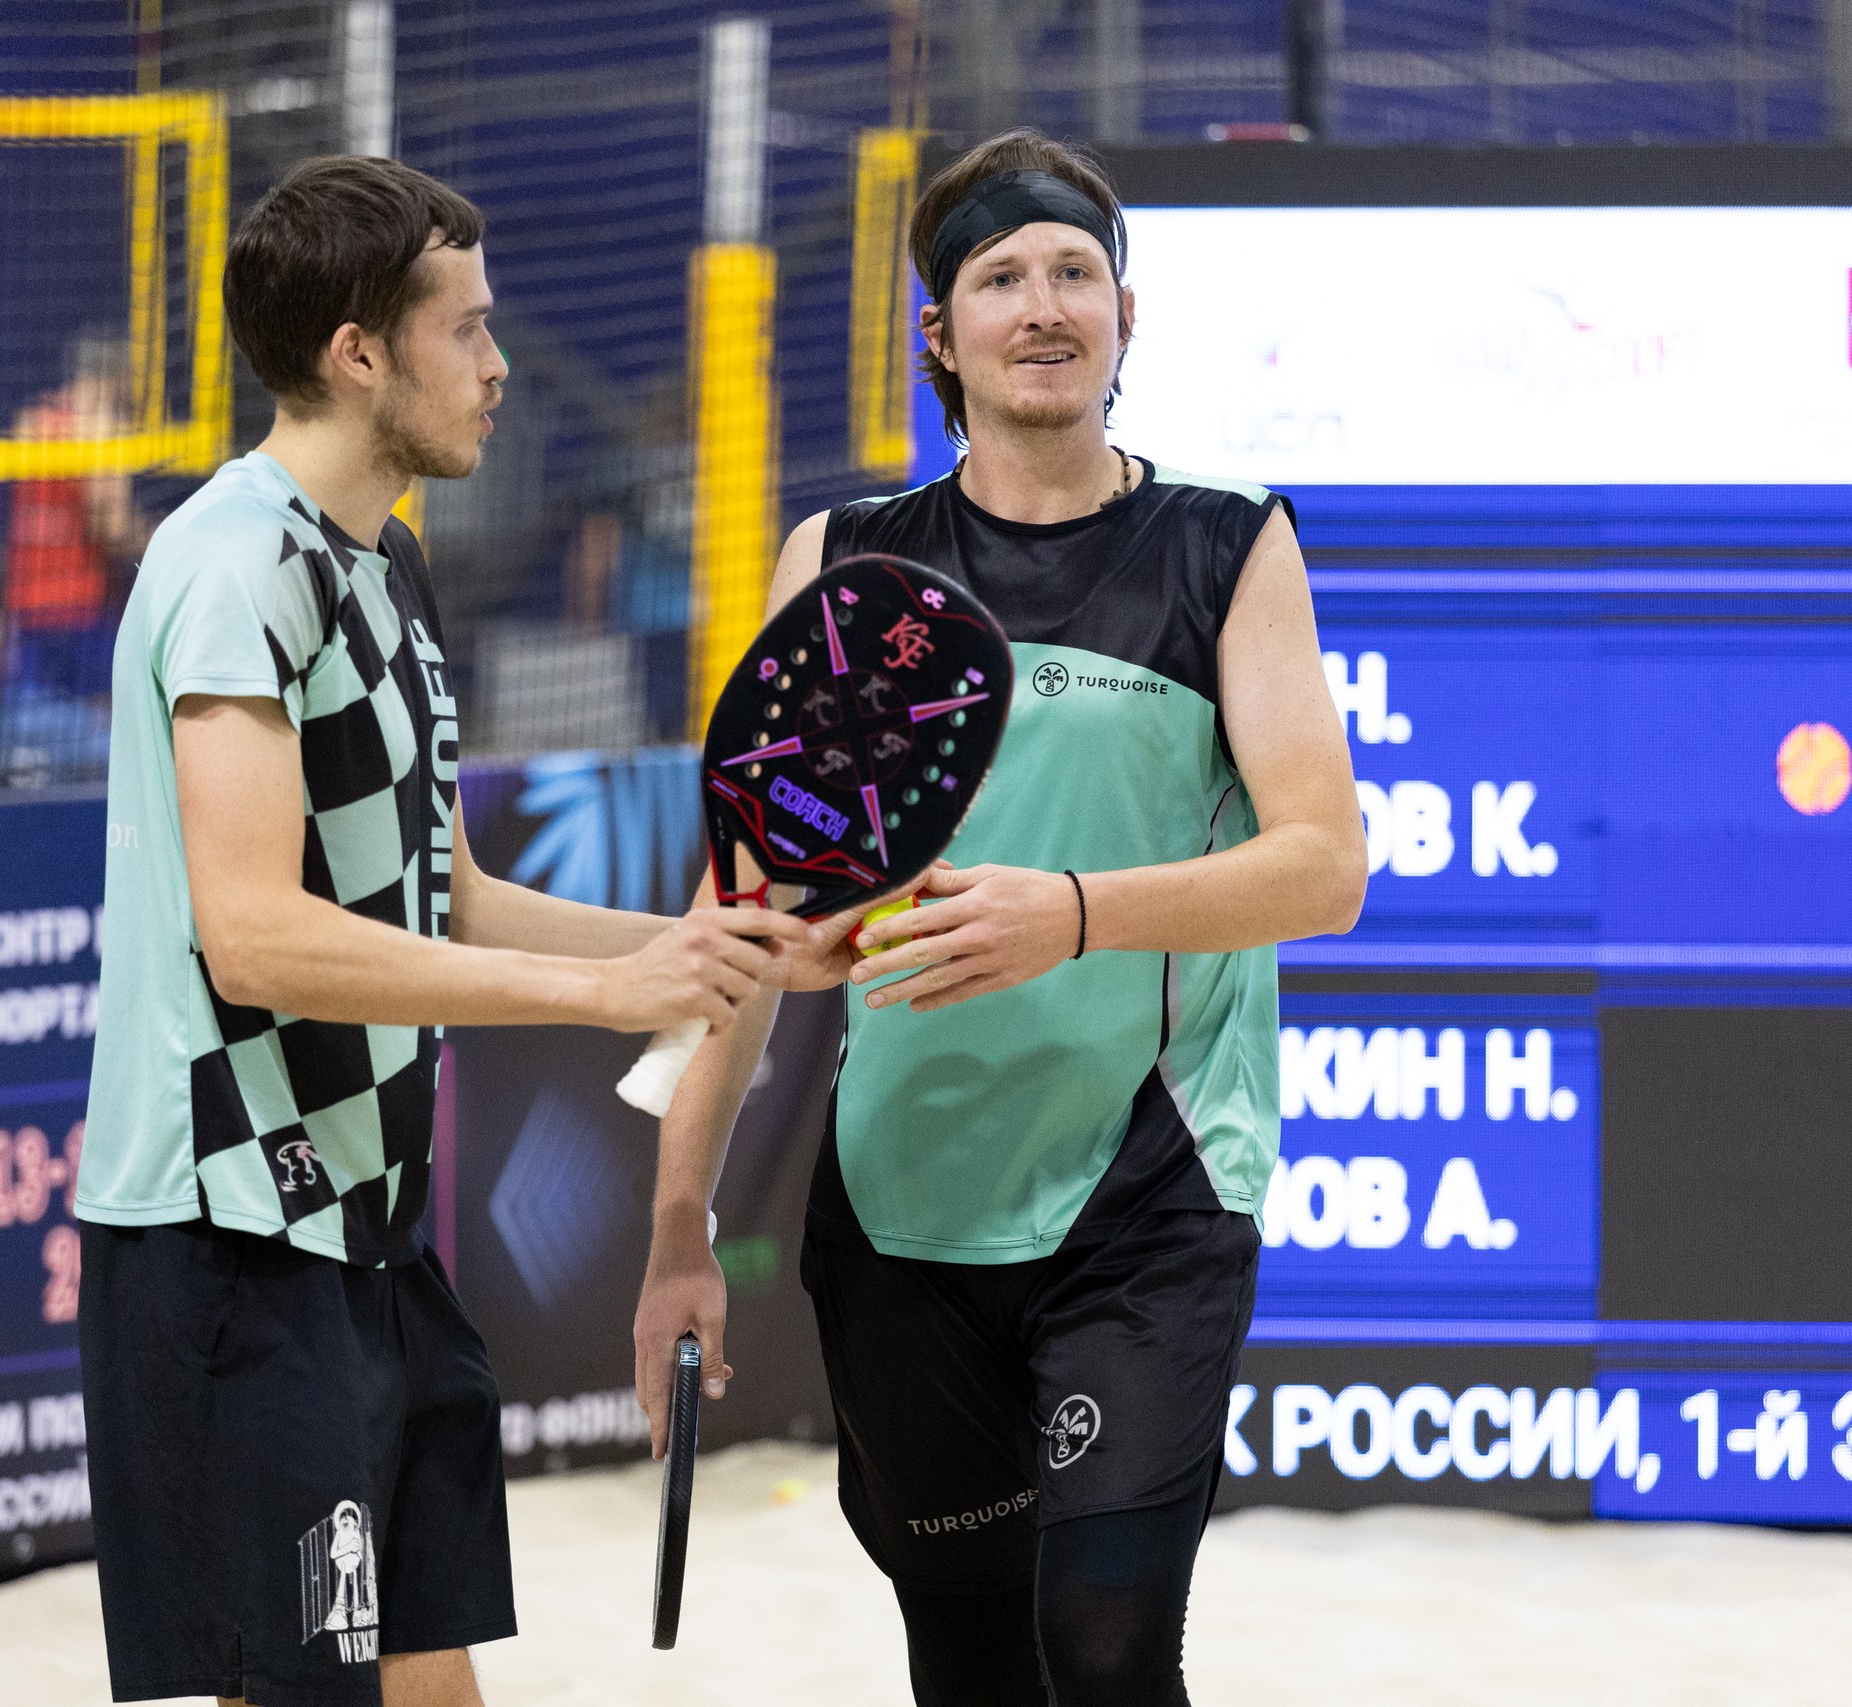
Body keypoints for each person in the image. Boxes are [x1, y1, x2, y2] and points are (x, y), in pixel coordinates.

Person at [632, 129, 1367, 1706]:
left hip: (1149, 1191)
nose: (1045, 306)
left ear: (1124, 315)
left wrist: (1077, 913)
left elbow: (1324, 866)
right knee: (970, 1664)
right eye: (1002, 277)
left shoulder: (1224, 542)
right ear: (942, 333)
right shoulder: (847, 560)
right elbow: (742, 912)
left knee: (1103, 1643)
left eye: (1077, 274)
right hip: (907, 1200)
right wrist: (677, 1223)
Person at [73, 155, 809, 1707]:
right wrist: (605, 994)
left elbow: (442, 889)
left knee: (429, 1672)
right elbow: (253, 938)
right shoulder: (233, 565)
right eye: (466, 328)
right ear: (359, 352)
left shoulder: (386, 557)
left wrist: (704, 948)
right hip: (235, 1231)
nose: (500, 362)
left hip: (370, 1222)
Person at [0, 329, 150, 784]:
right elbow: (110, 526)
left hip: (28, 605)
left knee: (30, 738)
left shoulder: (33, 420)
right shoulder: (99, 427)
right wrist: (160, 539)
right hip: (80, 609)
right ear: (112, 378)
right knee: (99, 741)